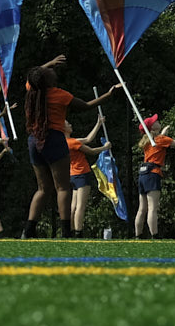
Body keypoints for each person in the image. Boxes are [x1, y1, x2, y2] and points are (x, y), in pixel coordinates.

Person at [19, 56, 118, 239]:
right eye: (49, 72)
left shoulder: (32, 91)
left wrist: (48, 63)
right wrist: (108, 95)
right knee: (63, 187)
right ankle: (66, 232)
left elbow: (33, 77)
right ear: (49, 80)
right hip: (54, 139)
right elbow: (87, 105)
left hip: (34, 140)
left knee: (42, 188)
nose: (51, 71)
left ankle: (28, 230)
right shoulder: (60, 94)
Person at [134, 115, 175, 238]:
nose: (158, 121)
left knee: (142, 208)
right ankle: (155, 235)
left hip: (143, 173)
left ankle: (138, 235)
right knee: (153, 207)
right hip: (153, 174)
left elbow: (159, 141)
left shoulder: (147, 141)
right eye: (155, 122)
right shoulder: (160, 140)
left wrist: (163, 132)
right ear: (152, 128)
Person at [64, 120, 111, 238]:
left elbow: (87, 138)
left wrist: (98, 123)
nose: (70, 124)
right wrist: (105, 147)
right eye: (67, 124)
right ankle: (78, 232)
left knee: (73, 206)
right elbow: (91, 150)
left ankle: (70, 231)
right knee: (80, 205)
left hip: (73, 175)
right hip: (82, 174)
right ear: (63, 129)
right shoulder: (72, 142)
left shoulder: (64, 142)